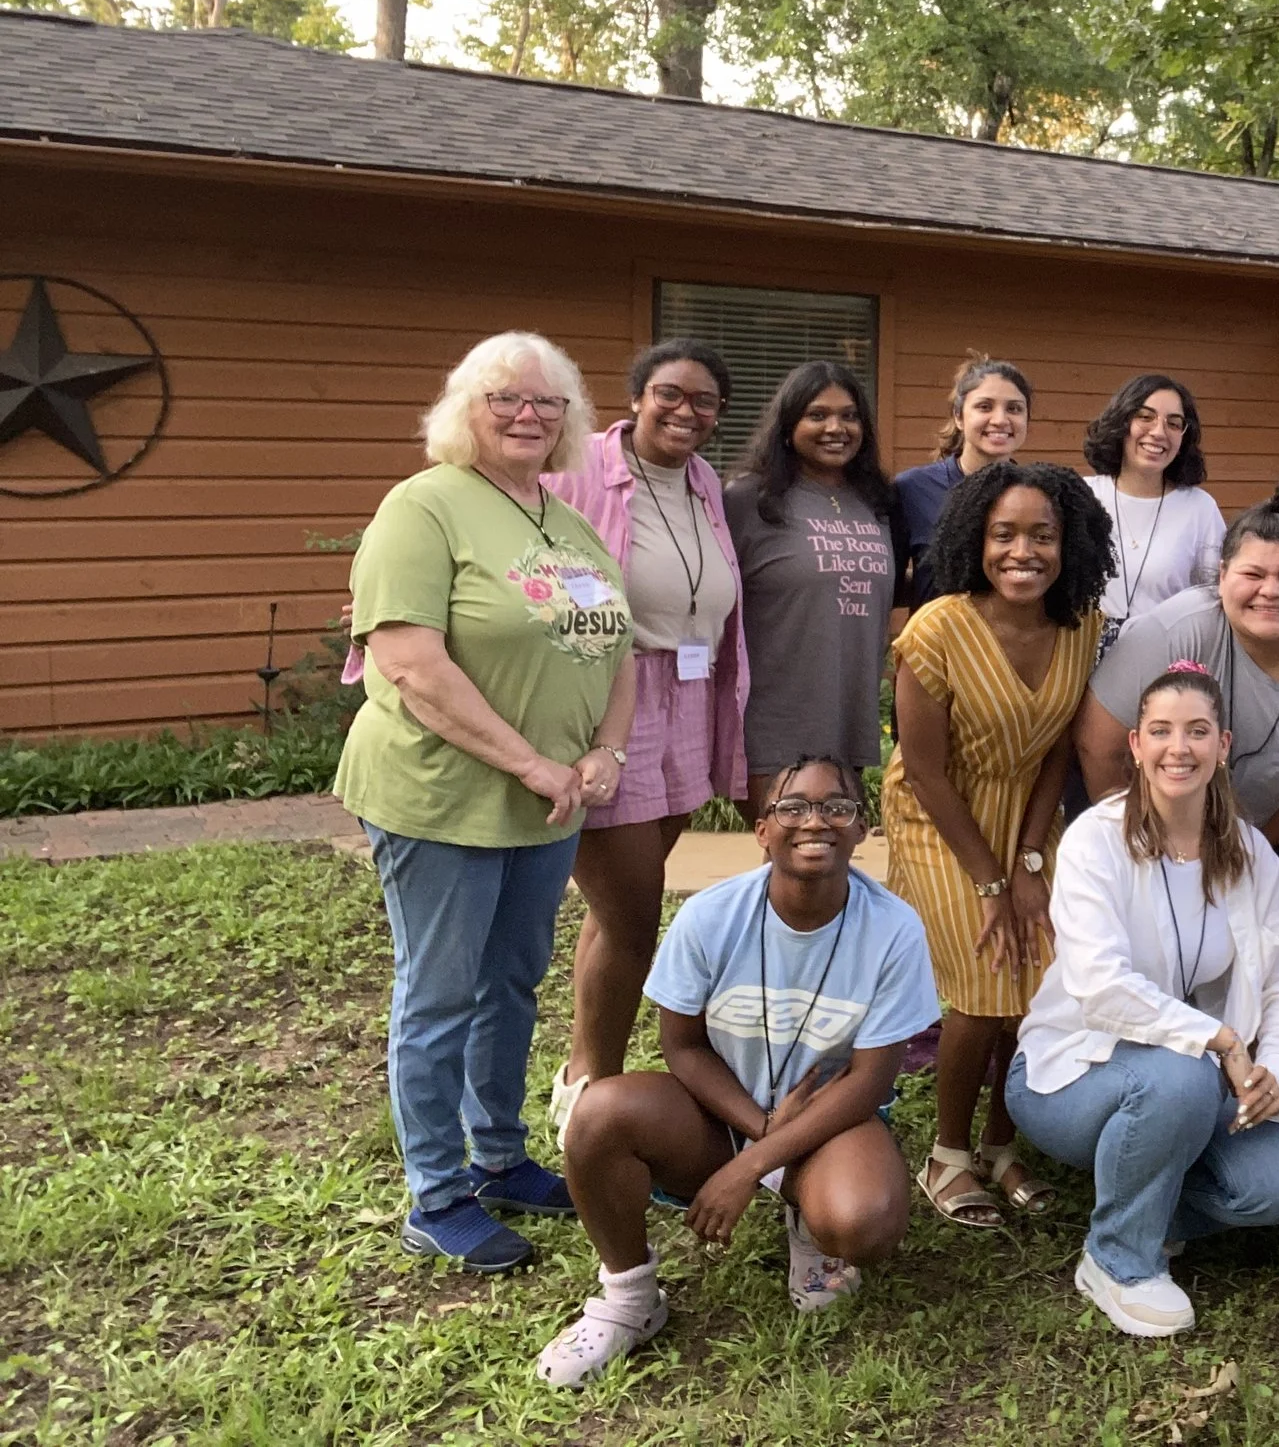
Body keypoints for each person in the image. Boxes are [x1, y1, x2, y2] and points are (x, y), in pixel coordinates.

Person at [337, 330, 636, 1272]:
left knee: (511, 980)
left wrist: (605, 752)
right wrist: (534, 764)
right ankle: (435, 1193)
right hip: (442, 796)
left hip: (545, 806)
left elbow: (615, 645)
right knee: (439, 991)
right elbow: (410, 662)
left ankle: (500, 1157)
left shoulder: (564, 516)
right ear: (465, 408)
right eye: (507, 397)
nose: (528, 415)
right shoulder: (423, 508)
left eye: (548, 403)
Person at [532, 758, 940, 1387]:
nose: (815, 821)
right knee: (598, 1115)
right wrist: (761, 1132)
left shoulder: (894, 929)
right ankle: (629, 1300)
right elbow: (683, 1047)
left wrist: (754, 1165)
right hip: (719, 1113)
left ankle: (810, 1222)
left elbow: (870, 1080)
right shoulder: (711, 916)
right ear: (762, 829)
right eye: (793, 807)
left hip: (832, 1119)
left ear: (862, 828)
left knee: (863, 1220)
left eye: (837, 807)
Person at [1008, 663, 1279, 1338]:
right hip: (1075, 1071)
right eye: (1160, 730)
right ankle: (1118, 1256)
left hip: (1203, 1076)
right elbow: (1100, 988)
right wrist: (1222, 1040)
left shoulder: (1250, 852)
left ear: (1223, 744)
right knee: (1179, 1077)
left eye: (1196, 731)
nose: (1177, 747)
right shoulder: (1097, 840)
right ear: (1135, 745)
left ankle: (1149, 1204)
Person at [883, 460, 1112, 1231]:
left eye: (1042, 535)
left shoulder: (1083, 624)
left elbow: (1055, 751)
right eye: (1004, 534)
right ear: (976, 540)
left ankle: (1002, 1141)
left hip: (1028, 814)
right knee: (984, 985)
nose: (1024, 550)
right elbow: (922, 768)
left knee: (1039, 976)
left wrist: (1030, 864)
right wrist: (990, 880)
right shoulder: (937, 627)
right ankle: (947, 1152)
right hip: (937, 813)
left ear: (1067, 541)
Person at [541, 340, 750, 1136]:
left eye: (704, 402)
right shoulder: (580, 471)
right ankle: (597, 1099)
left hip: (690, 697)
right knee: (632, 918)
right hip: (614, 696)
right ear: (637, 397)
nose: (685, 412)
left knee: (616, 908)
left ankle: (578, 1074)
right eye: (671, 394)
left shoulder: (703, 483)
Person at [1079, 489, 1279, 950]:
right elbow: (1100, 745)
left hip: (1272, 825)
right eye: (1252, 574)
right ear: (1222, 576)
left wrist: (1231, 849)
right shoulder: (1176, 631)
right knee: (1160, 953)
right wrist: (1153, 844)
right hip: (1147, 820)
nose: (1270, 591)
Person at [725, 361, 900, 806]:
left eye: (850, 415)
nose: (836, 427)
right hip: (773, 720)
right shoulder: (749, 499)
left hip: (848, 717)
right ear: (788, 426)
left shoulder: (877, 503)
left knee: (827, 863)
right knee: (789, 856)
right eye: (817, 415)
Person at [1083, 373, 1227, 652]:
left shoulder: (1199, 508)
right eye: (1145, 417)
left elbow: (1215, 599)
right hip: (1080, 658)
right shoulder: (1084, 496)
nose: (1159, 432)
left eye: (1174, 423)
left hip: (1167, 656)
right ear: (1122, 422)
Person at [895, 356, 1033, 604]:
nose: (1000, 420)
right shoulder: (912, 489)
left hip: (1014, 641)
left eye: (1014, 409)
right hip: (936, 641)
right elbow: (887, 584)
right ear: (959, 417)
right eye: (984, 407)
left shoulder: (1036, 495)